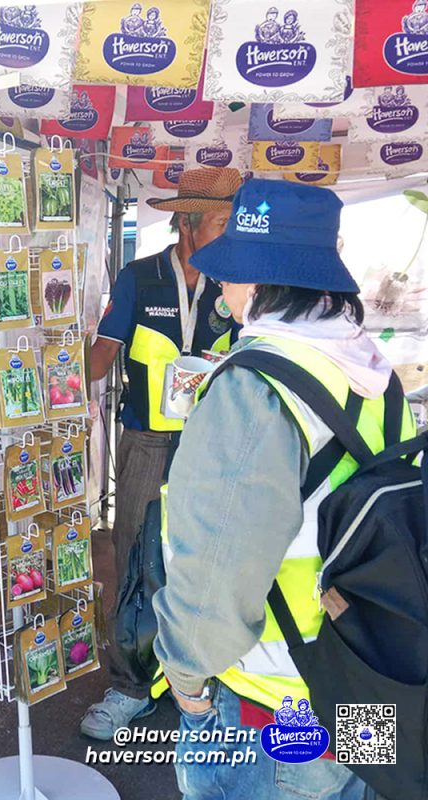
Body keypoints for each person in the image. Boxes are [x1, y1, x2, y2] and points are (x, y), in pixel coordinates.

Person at [152, 178, 413, 799]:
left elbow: (215, 572)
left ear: (261, 282)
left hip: (276, 701)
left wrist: (187, 685)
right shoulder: (377, 375)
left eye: (232, 270)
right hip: (366, 684)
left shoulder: (253, 389)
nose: (221, 283)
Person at [79, 167, 242, 741]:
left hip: (214, 442)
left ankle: (200, 682)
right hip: (148, 442)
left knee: (208, 559)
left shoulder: (237, 284)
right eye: (221, 223)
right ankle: (130, 686)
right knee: (135, 561)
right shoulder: (139, 278)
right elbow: (100, 358)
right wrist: (52, 370)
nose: (231, 233)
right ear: (188, 224)